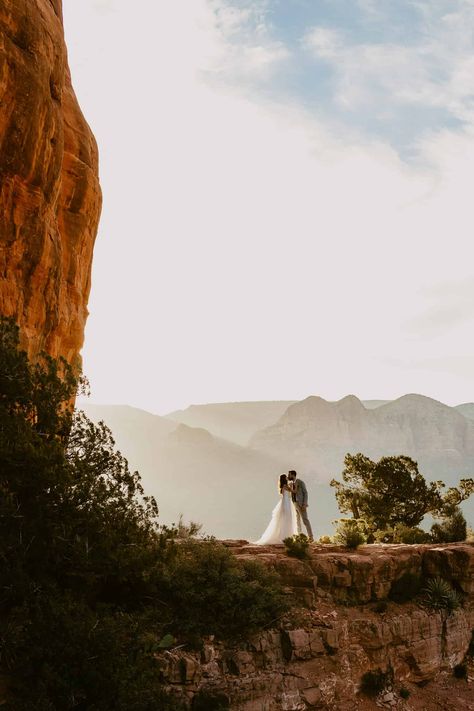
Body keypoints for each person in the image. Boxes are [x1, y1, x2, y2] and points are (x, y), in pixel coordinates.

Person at [254, 473, 298, 545]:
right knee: (287, 519)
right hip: (286, 503)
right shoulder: (285, 486)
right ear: (284, 479)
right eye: (286, 477)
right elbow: (293, 491)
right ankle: (286, 537)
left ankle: (286, 536)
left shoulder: (283, 486)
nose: (287, 477)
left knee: (285, 519)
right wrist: (294, 485)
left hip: (285, 502)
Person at [288, 470, 313, 541]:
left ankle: (311, 537)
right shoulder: (292, 483)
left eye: (289, 475)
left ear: (293, 475)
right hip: (294, 504)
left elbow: (305, 493)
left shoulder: (300, 482)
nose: (288, 476)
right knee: (297, 521)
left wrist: (305, 504)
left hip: (301, 504)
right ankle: (299, 537)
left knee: (305, 520)